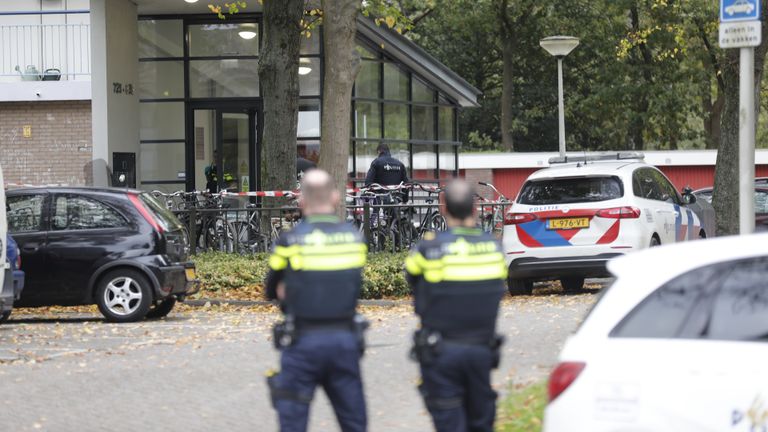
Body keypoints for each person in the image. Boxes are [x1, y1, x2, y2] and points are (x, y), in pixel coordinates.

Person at [265, 169, 369, 432]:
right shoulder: (353, 240)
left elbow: (272, 289)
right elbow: (354, 284)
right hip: (344, 341)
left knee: (293, 422)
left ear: (301, 201)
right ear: (335, 198)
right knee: (354, 422)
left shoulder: (289, 242)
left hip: (301, 342)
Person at [404, 179, 507, 432]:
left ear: (443, 208)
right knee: (481, 423)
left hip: (441, 352)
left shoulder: (428, 249)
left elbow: (412, 280)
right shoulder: (494, 249)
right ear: (474, 208)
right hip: (481, 351)